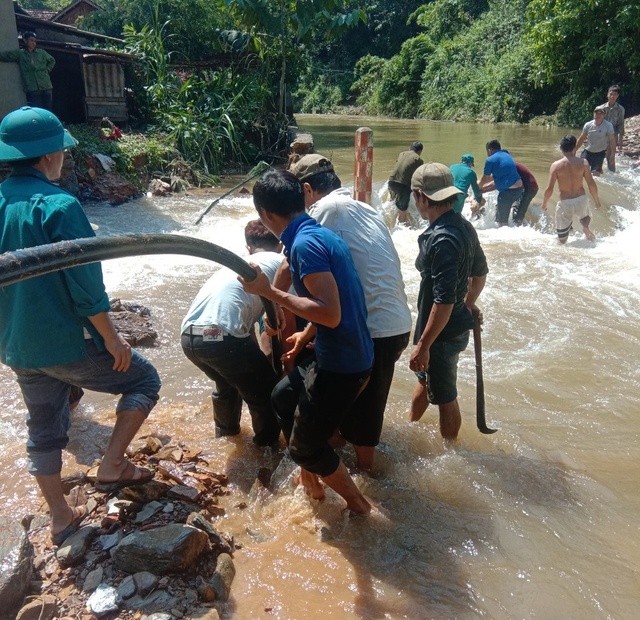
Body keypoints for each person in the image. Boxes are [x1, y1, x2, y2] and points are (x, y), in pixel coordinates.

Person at [0, 107, 161, 546]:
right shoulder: (59, 205)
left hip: (17, 347)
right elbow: (86, 284)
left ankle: (60, 516)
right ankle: (113, 464)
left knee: (44, 425)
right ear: (51, 154)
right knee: (145, 378)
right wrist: (112, 338)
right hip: (66, 343)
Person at [239, 169, 374, 514]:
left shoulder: (304, 245)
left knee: (305, 448)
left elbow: (330, 312)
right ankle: (311, 480)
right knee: (283, 397)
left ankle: (359, 506)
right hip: (343, 352)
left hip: (343, 365)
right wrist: (304, 334)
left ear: (266, 215)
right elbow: (339, 300)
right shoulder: (317, 235)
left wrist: (268, 291)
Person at [287, 153, 412, 471]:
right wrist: (308, 332)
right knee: (365, 397)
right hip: (394, 320)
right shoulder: (365, 207)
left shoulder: (322, 212)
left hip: (372, 326)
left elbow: (319, 282)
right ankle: (346, 454)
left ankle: (368, 478)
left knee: (363, 406)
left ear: (306, 190)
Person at [180, 219, 283, 447]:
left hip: (189, 336)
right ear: (281, 244)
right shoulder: (281, 264)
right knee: (265, 393)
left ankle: (225, 439)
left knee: (227, 383)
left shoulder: (236, 264)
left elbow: (248, 329)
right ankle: (267, 450)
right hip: (222, 336)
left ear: (249, 247)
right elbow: (274, 324)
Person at [408, 163, 488, 440]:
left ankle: (451, 454)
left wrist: (424, 345)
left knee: (445, 397)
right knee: (426, 380)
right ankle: (411, 427)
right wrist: (467, 303)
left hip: (440, 333)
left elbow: (441, 302)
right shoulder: (463, 226)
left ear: (420, 196)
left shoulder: (441, 239)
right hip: (446, 326)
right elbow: (480, 273)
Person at [541, 135, 601, 243]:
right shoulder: (583, 163)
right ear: (574, 148)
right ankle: (585, 227)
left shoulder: (556, 165)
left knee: (562, 240)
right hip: (581, 199)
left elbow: (549, 189)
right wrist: (597, 201)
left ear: (561, 148)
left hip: (565, 202)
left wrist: (545, 204)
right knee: (585, 217)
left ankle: (564, 251)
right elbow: (591, 184)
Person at [0, 32, 55, 110]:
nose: (33, 43)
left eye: (35, 41)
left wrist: (47, 70)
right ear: (25, 41)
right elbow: (7, 56)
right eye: (31, 40)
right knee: (36, 110)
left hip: (45, 85)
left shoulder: (41, 52)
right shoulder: (21, 54)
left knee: (48, 109)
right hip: (32, 87)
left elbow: (52, 60)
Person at [478, 140, 523, 226]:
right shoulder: (507, 155)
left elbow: (486, 177)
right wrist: (484, 186)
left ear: (489, 150)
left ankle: (504, 237)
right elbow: (496, 176)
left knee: (502, 222)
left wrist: (480, 186)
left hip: (507, 192)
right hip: (519, 190)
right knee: (501, 214)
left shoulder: (490, 160)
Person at [480, 161, 539, 225]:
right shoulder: (507, 165)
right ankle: (513, 223)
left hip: (530, 188)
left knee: (519, 211)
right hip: (523, 187)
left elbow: (496, 184)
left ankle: (519, 226)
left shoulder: (508, 167)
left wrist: (482, 190)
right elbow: (493, 178)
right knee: (514, 206)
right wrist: (481, 184)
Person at [388, 141, 424, 224]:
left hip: (391, 182)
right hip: (403, 186)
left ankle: (389, 222)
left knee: (392, 203)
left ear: (410, 148)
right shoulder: (418, 159)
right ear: (420, 152)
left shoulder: (402, 154)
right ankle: (402, 227)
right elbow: (419, 176)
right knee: (403, 209)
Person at [575, 107, 615, 177]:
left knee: (595, 175)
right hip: (588, 151)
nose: (598, 115)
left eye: (601, 113)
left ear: (604, 115)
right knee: (580, 170)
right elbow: (582, 138)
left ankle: (599, 171)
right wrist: (574, 150)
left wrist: (613, 154)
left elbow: (612, 140)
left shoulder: (608, 126)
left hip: (599, 153)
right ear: (594, 114)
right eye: (596, 113)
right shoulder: (588, 125)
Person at [596, 85, 625, 172]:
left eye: (615, 95)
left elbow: (621, 124)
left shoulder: (620, 109)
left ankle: (613, 175)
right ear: (607, 94)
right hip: (601, 134)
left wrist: (620, 140)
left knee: (611, 156)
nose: (612, 96)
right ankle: (598, 172)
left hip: (613, 135)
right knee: (598, 154)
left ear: (618, 96)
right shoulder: (600, 108)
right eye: (611, 94)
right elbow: (595, 123)